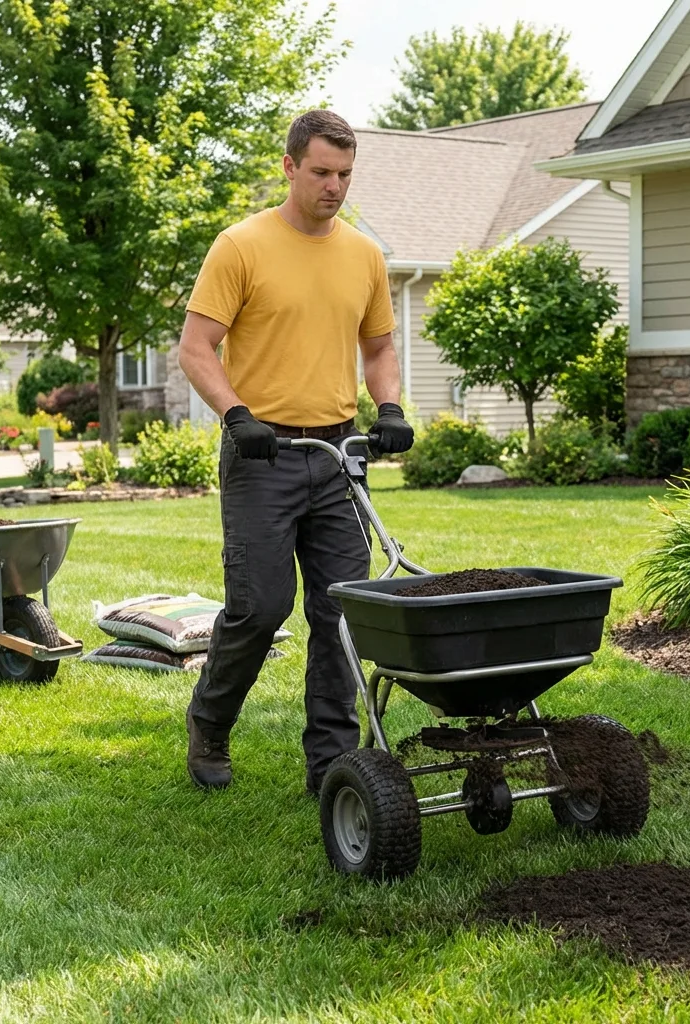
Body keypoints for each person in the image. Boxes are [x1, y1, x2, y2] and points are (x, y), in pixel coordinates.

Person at [178, 109, 415, 794]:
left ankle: (332, 766)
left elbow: (378, 347)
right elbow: (197, 349)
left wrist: (389, 406)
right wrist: (236, 414)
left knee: (343, 610)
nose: (333, 186)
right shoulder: (241, 246)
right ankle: (211, 723)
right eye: (320, 172)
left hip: (338, 454)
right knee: (260, 607)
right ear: (289, 167)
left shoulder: (364, 255)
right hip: (262, 455)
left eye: (344, 174)